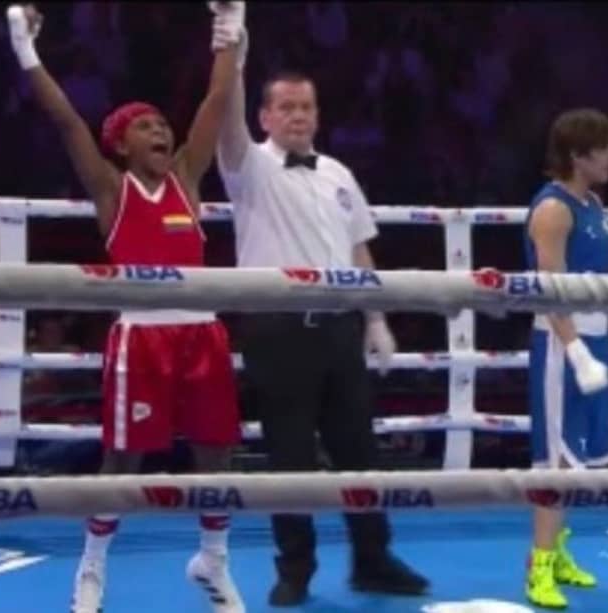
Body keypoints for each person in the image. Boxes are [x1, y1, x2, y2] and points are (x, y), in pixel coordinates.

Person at [5, 3, 248, 612]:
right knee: (123, 460)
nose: (161, 130)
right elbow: (66, 124)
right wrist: (25, 49)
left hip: (202, 333)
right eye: (146, 126)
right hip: (141, 339)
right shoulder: (113, 191)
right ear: (121, 142)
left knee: (217, 451)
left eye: (163, 123)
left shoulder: (188, 179)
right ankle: (90, 570)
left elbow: (215, 103)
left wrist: (231, 28)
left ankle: (213, 563)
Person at [214, 30, 429, 606]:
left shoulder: (338, 173)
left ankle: (373, 558)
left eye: (306, 106)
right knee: (289, 454)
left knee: (359, 449)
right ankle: (295, 569)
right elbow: (226, 122)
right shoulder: (248, 166)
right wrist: (232, 51)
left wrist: (377, 320)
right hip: (278, 330)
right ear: (265, 115)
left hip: (339, 329)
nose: (298, 116)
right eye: (286, 107)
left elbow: (361, 251)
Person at [523, 108, 608, 609]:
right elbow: (551, 291)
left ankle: (560, 551)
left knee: (579, 460)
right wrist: (575, 352)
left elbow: (598, 280)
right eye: (605, 148)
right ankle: (538, 566)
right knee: (554, 459)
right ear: (579, 155)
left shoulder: (592, 203)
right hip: (560, 343)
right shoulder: (552, 210)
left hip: (596, 337)